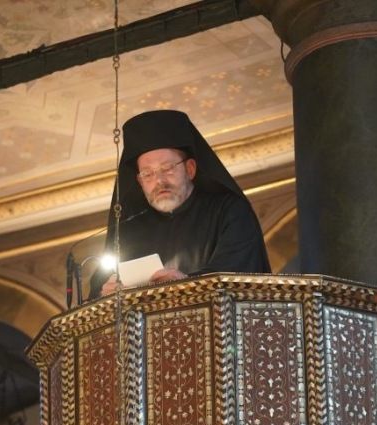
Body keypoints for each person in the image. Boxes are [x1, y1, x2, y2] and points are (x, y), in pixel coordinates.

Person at [93, 110, 270, 297]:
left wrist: (184, 284)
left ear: (190, 169)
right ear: (139, 181)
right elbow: (96, 292)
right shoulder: (128, 230)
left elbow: (237, 275)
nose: (159, 181)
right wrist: (105, 294)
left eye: (167, 168)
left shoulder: (229, 211)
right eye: (148, 174)